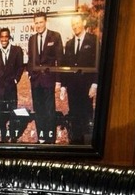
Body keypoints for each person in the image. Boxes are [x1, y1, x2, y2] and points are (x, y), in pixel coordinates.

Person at [60, 14, 98, 144]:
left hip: (86, 87)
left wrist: (94, 84)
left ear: (84, 22)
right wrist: (64, 86)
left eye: (77, 23)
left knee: (86, 115)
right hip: (72, 88)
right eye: (73, 24)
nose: (75, 26)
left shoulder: (93, 40)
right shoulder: (69, 44)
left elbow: (97, 63)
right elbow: (65, 66)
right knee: (74, 115)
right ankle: (76, 143)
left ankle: (87, 144)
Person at [26, 12, 63, 144]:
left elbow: (60, 59)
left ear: (45, 22)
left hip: (49, 79)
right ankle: (41, 136)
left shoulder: (55, 36)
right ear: (34, 24)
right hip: (36, 80)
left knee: (49, 109)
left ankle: (50, 137)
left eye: (41, 22)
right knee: (38, 109)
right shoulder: (32, 39)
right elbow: (30, 59)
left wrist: (58, 80)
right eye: (36, 23)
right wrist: (30, 73)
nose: (39, 25)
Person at [0, 28, 24, 142]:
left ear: (9, 38)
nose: (4, 39)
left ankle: (13, 135)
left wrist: (16, 79)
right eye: (2, 37)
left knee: (13, 110)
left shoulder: (17, 50)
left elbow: (21, 66)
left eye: (6, 37)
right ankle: (3, 136)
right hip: (1, 88)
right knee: (1, 112)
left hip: (11, 86)